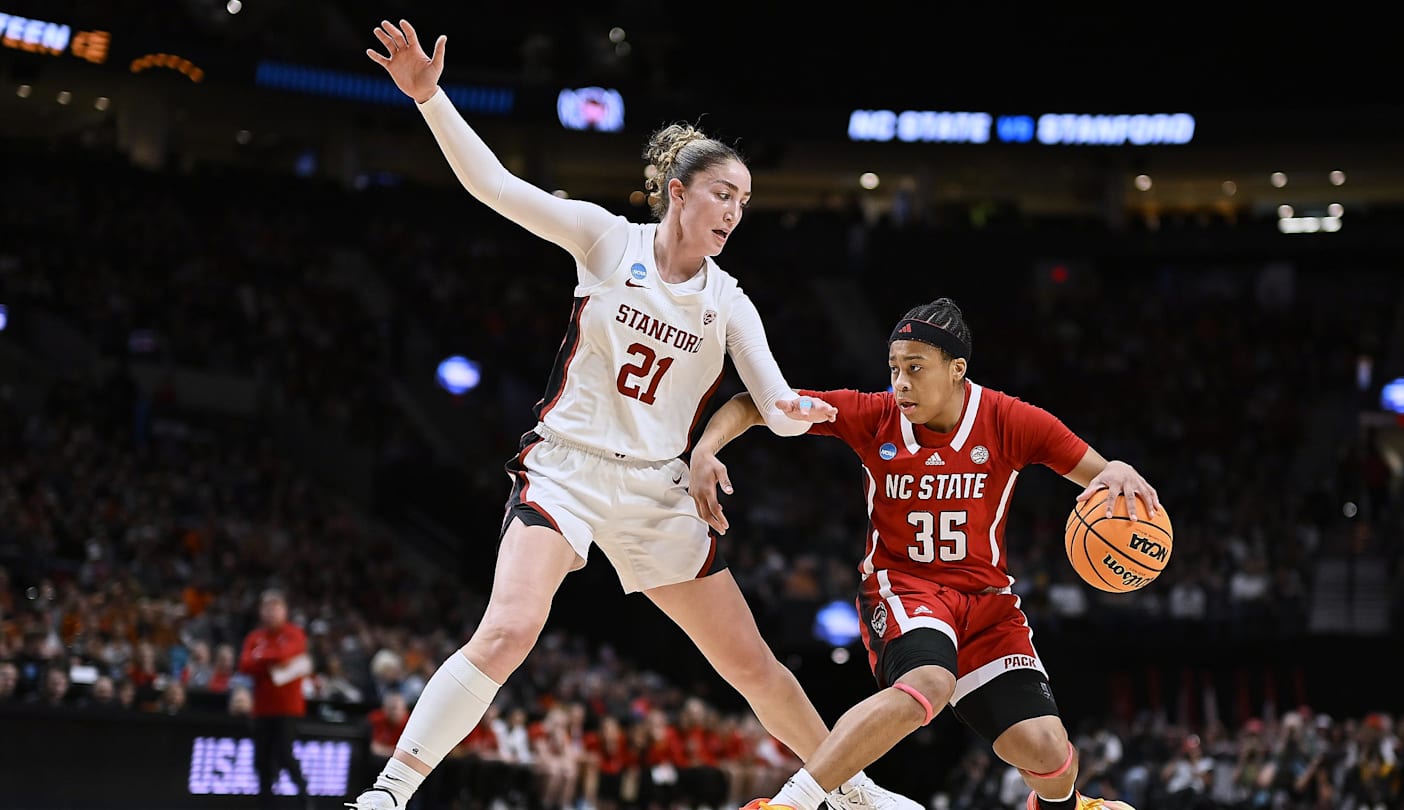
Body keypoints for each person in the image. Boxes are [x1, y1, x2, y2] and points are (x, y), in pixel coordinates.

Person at [350, 18, 920, 810]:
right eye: (724, 193)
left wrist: (834, 411)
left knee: (753, 665)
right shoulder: (606, 242)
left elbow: (779, 407)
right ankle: (390, 791)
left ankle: (850, 789)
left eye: (746, 201)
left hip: (658, 494)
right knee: (510, 629)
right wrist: (432, 99)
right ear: (679, 194)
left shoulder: (730, 302)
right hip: (567, 470)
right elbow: (494, 187)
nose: (735, 212)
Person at [688, 297, 1161, 810]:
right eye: (894, 368)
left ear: (957, 370)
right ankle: (791, 804)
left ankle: (1066, 806)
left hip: (986, 603)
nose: (901, 382)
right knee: (931, 682)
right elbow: (753, 403)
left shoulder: (1007, 419)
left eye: (915, 367)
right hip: (903, 589)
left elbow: (1100, 472)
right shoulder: (873, 415)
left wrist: (1118, 470)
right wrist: (707, 448)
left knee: (1048, 751)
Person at [239, 589, 314, 810]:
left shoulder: (295, 633)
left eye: (276, 607)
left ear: (285, 610)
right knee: (261, 759)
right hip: (262, 708)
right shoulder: (254, 636)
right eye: (267, 607)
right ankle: (266, 803)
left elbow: (284, 655)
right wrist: (270, 658)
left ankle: (306, 801)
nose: (271, 612)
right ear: (261, 611)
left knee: (285, 755)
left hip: (287, 708)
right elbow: (244, 665)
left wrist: (261, 656)